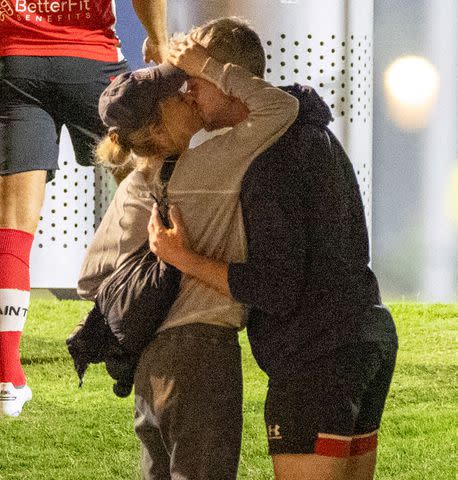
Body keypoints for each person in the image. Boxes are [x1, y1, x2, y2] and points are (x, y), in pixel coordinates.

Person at [149, 64, 398, 480]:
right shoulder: (317, 134)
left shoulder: (271, 160)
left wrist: (184, 259)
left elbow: (275, 287)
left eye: (198, 80)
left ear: (231, 83)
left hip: (315, 352)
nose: (189, 91)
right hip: (365, 335)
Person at [77, 17, 299, 480]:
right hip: (203, 354)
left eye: (191, 83)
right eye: (180, 93)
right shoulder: (218, 162)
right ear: (162, 122)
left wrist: (143, 288)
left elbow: (90, 278)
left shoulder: (144, 181)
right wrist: (208, 65)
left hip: (149, 366)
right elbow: (281, 108)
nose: (189, 92)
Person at [0, 0, 167, 417]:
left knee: (13, 227)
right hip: (90, 60)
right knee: (153, 192)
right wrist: (159, 41)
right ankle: (161, 339)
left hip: (16, 59)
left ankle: (7, 377)